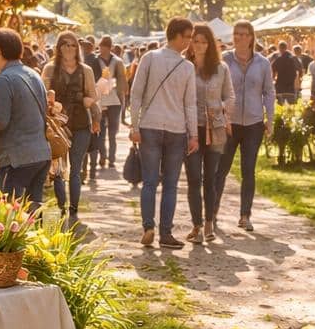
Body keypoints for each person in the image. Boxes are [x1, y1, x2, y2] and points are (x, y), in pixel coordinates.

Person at [130, 17, 198, 248]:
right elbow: (190, 103)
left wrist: (134, 125)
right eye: (187, 37)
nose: (189, 42)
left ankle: (148, 226)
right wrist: (193, 134)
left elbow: (136, 93)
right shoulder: (187, 67)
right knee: (170, 184)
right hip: (176, 129)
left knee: (149, 182)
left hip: (150, 125)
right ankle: (165, 234)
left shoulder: (150, 58)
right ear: (177, 35)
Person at [0, 28, 52, 208]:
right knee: (32, 215)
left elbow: (1, 122)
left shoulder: (3, 80)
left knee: (3, 214)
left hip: (17, 158)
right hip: (41, 154)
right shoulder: (33, 74)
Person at [218, 20, 275, 232]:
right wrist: (221, 114)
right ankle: (212, 214)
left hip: (253, 123)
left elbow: (269, 91)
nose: (240, 38)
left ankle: (245, 215)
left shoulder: (263, 63)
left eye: (244, 34)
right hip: (229, 123)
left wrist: (270, 118)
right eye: (237, 34)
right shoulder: (224, 60)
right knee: (221, 169)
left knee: (248, 170)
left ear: (252, 37)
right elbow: (217, 89)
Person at [184, 23, 235, 243]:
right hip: (192, 128)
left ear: (210, 44)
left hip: (215, 128)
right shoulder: (185, 66)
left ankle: (209, 222)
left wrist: (222, 109)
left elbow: (230, 96)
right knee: (194, 177)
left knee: (210, 178)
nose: (200, 45)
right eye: (196, 41)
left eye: (204, 41)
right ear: (191, 43)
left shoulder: (221, 68)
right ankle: (196, 223)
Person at [42, 31, 99, 226]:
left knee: (75, 169)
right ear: (58, 48)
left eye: (72, 45)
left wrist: (88, 101)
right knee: (58, 168)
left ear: (78, 48)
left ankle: (73, 209)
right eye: (64, 44)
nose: (68, 48)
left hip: (81, 123)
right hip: (57, 126)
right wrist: (51, 105)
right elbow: (42, 95)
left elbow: (93, 96)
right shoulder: (50, 69)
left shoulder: (86, 71)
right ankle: (61, 206)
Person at [92, 36, 127, 174]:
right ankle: (103, 155)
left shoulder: (118, 62)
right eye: (101, 46)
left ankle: (111, 158)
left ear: (109, 47)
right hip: (100, 99)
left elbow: (122, 80)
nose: (102, 49)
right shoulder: (95, 61)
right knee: (100, 131)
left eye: (105, 46)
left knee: (113, 131)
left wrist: (122, 96)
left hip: (115, 100)